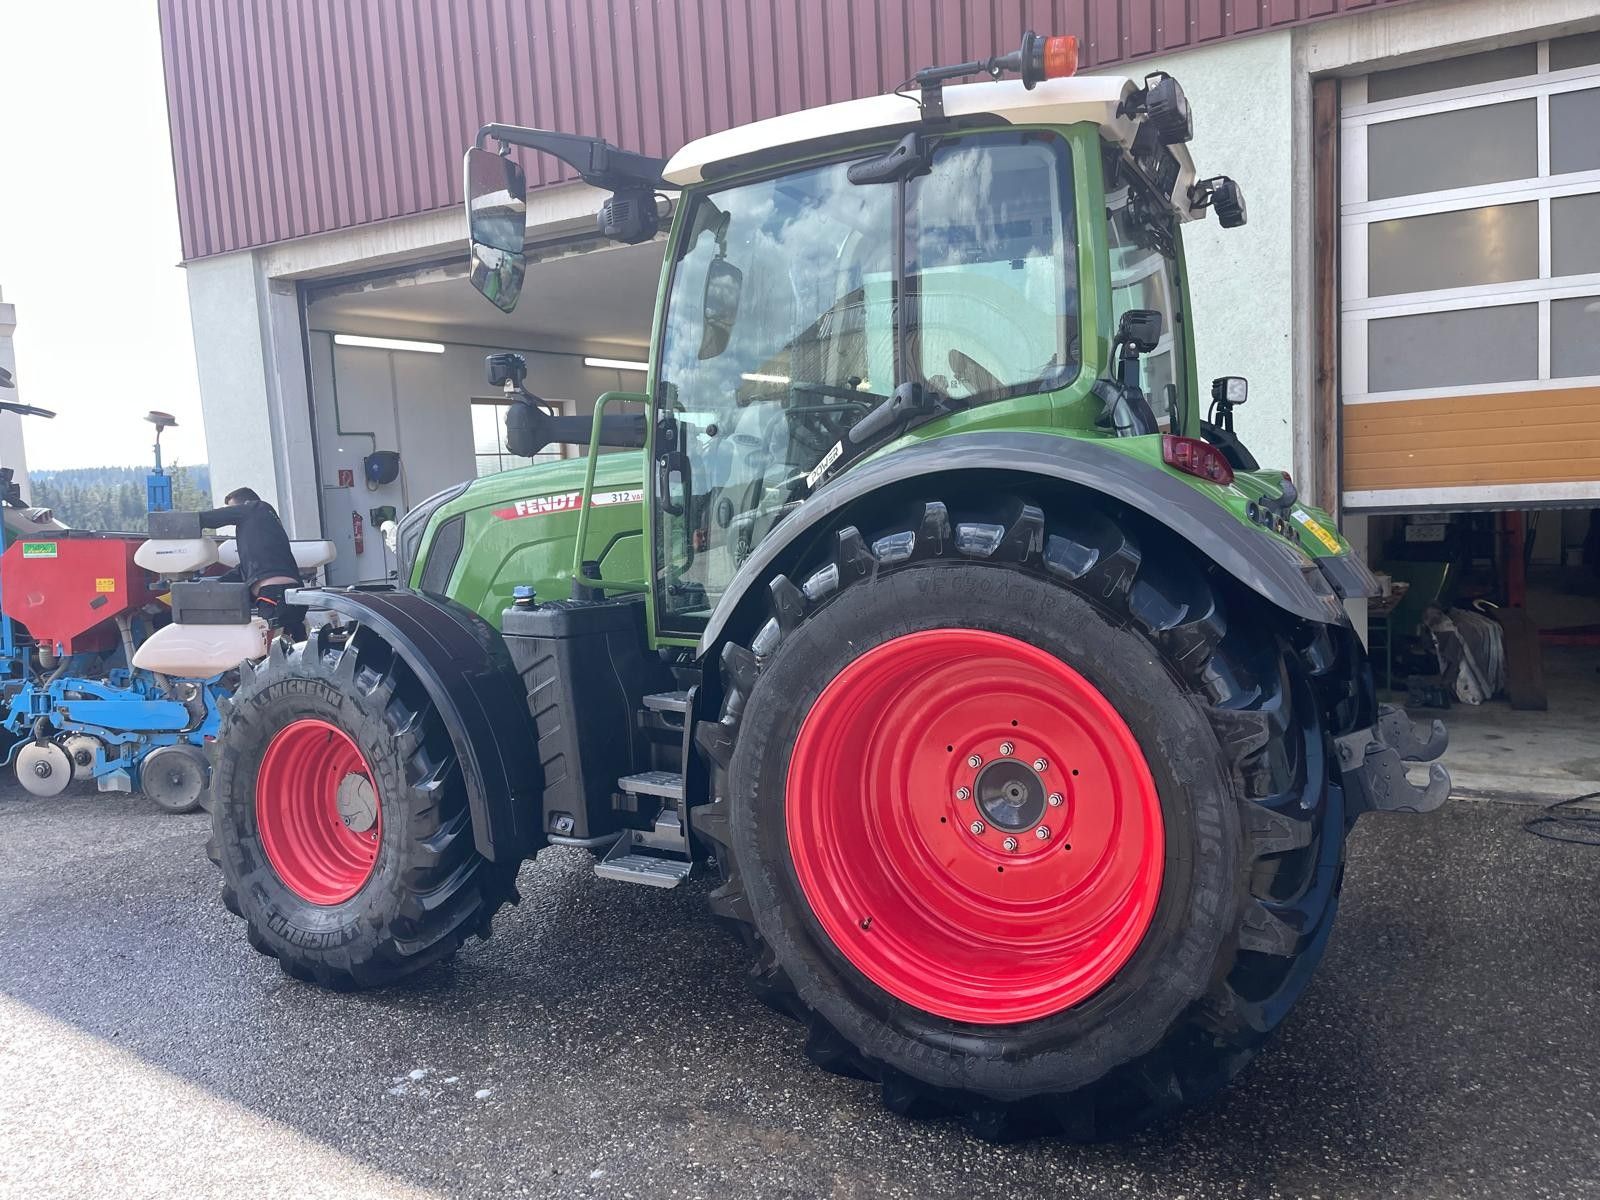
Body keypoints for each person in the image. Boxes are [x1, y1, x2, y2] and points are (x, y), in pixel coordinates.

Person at [198, 487, 308, 640]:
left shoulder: (255, 507)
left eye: (233, 509)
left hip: (274, 597)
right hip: (291, 596)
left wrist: (179, 522)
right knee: (296, 653)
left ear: (244, 504)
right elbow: (243, 572)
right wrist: (209, 586)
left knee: (272, 658)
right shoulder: (266, 525)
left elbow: (209, 518)